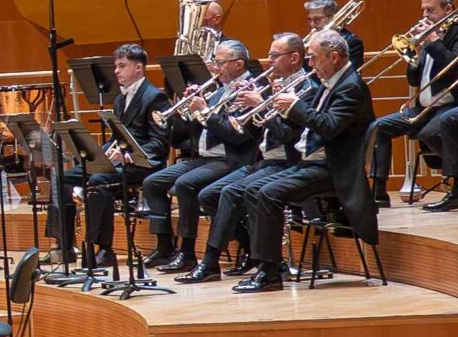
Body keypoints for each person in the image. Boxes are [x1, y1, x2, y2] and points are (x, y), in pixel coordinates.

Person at [232, 29, 374, 293]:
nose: (310, 64)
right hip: (313, 163)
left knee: (269, 193)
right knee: (252, 188)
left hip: (333, 168)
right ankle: (266, 265)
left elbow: (329, 127)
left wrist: (294, 105)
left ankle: (271, 273)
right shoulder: (331, 82)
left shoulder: (351, 87)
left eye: (314, 58)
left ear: (334, 57)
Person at [176, 32, 303, 284]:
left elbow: (286, 135)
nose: (269, 61)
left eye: (275, 56)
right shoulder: (270, 87)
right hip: (262, 161)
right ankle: (252, 250)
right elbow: (189, 136)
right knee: (208, 195)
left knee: (232, 192)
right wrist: (193, 109)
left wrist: (264, 103)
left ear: (295, 58)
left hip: (287, 161)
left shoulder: (303, 88)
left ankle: (212, 261)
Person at [143, 41, 257, 273]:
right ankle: (166, 248)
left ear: (239, 64)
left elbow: (237, 136)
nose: (215, 68)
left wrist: (204, 110)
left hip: (231, 158)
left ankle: (187, 252)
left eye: (220, 63)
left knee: (186, 185)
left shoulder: (249, 89)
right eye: (215, 62)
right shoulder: (219, 90)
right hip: (204, 158)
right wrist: (186, 108)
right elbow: (189, 133)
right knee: (153, 182)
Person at [366, 0, 458, 209]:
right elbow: (414, 81)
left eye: (430, 10)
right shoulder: (430, 37)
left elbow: (454, 69)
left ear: (448, 9)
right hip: (425, 107)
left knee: (427, 130)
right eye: (423, 10)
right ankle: (379, 190)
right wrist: (416, 57)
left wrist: (434, 42)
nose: (425, 16)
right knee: (378, 127)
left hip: (453, 104)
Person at [74, 43, 168, 269]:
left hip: (142, 164)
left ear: (138, 68)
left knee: (98, 182)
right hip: (119, 160)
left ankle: (103, 248)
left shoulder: (155, 97)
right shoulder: (118, 99)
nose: (116, 71)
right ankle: (64, 245)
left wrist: (127, 155)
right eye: (116, 66)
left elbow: (159, 144)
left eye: (121, 66)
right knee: (66, 175)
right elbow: (118, 137)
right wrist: (99, 153)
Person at [305, 0, 364, 68]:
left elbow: (347, 74)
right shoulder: (310, 40)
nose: (312, 24)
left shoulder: (352, 42)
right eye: (310, 19)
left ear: (332, 18)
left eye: (317, 19)